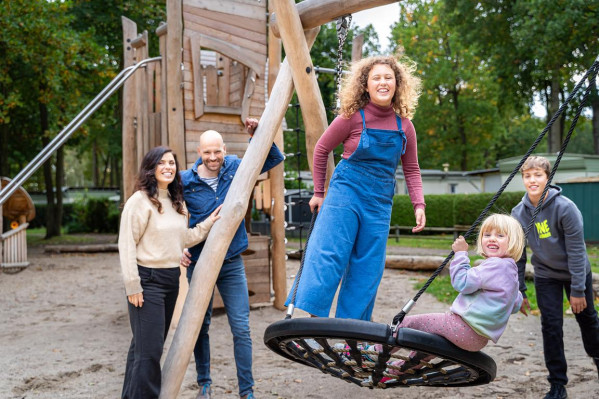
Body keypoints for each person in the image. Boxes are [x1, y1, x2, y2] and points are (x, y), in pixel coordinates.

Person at [285, 54, 426, 321]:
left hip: (379, 201)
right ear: (365, 85)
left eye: (388, 77)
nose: (383, 82)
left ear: (397, 84)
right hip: (346, 191)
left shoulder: (405, 126)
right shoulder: (351, 117)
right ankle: (317, 323)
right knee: (330, 253)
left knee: (368, 266)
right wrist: (318, 192)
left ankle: (350, 328)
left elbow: (411, 169)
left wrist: (419, 204)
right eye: (376, 78)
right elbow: (322, 149)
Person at [180, 119, 284, 399]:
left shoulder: (237, 167)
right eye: (207, 153)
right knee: (199, 326)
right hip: (201, 263)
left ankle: (246, 391)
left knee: (241, 328)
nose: (213, 158)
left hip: (231, 263)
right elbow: (168, 217)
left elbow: (272, 157)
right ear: (199, 153)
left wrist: (257, 134)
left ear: (224, 149)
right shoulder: (185, 181)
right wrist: (178, 247)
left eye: (217, 151)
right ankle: (204, 383)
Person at [118, 146, 221, 399]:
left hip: (170, 280)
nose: (168, 167)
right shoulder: (139, 201)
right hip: (146, 281)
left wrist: (208, 223)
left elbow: (183, 238)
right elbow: (127, 244)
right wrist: (133, 285)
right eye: (162, 163)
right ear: (151, 168)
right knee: (150, 353)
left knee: (142, 349)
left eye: (172, 163)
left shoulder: (177, 202)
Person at [370, 214, 524, 380]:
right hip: (478, 340)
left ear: (513, 241)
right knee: (427, 349)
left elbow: (462, 283)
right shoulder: (512, 272)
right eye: (487, 235)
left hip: (462, 327)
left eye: (500, 235)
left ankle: (372, 354)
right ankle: (394, 372)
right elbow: (515, 304)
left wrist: (461, 254)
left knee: (408, 323)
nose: (492, 239)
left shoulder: (495, 265)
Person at [511, 155, 599, 399]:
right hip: (546, 276)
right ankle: (557, 385)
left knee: (588, 320)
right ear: (523, 179)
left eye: (538, 175)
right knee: (551, 327)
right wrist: (520, 289)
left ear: (548, 178)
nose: (532, 180)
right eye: (527, 176)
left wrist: (579, 290)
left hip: (575, 272)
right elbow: (518, 254)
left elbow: (577, 251)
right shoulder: (518, 213)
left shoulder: (565, 208)